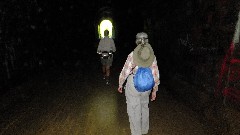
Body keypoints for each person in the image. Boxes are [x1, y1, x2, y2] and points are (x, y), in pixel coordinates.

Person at [118, 32, 160, 135]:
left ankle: (137, 133)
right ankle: (144, 130)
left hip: (134, 85)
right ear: (147, 40)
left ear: (137, 41)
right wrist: (155, 90)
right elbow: (155, 74)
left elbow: (125, 72)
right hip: (147, 86)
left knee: (133, 109)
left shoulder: (132, 55)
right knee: (144, 106)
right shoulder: (152, 55)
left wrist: (120, 84)